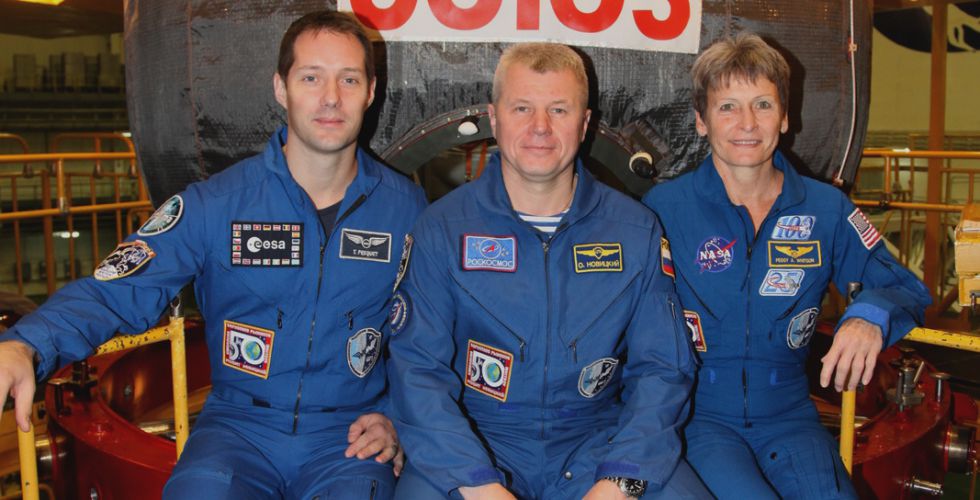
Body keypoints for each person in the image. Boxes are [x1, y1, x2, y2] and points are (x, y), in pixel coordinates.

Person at [0, 11, 426, 499]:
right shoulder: (216, 205)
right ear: (281, 88)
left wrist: (396, 417)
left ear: (370, 92)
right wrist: (26, 344)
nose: (331, 97)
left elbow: (432, 336)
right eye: (311, 77)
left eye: (348, 79)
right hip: (237, 431)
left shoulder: (407, 210)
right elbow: (118, 287)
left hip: (349, 439)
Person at [386, 42, 707, 499]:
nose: (540, 127)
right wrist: (477, 485)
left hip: (599, 442)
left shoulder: (635, 230)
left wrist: (620, 480)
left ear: (585, 124)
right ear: (494, 117)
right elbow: (418, 370)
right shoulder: (442, 228)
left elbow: (663, 369)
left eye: (559, 109)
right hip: (473, 440)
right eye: (522, 108)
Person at [641, 32, 931, 499]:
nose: (747, 123)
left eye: (762, 104)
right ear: (701, 121)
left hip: (792, 416)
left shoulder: (826, 209)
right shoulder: (663, 209)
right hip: (699, 416)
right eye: (727, 107)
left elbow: (904, 286)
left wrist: (869, 316)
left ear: (785, 116)